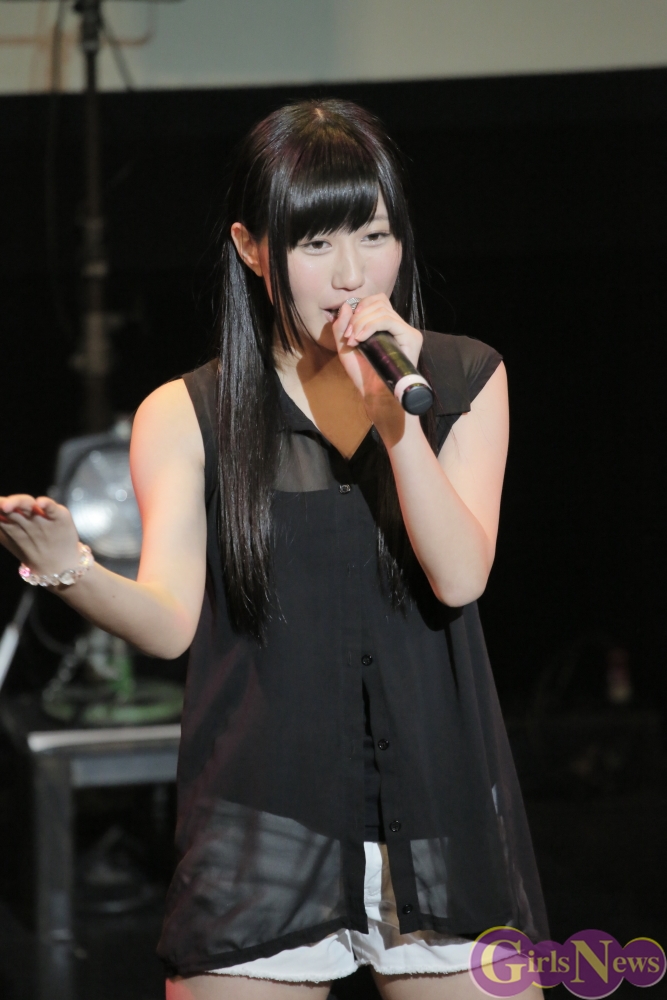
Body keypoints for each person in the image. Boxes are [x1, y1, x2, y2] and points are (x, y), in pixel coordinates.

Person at [0, 99, 547, 999]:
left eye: (373, 236)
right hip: (264, 823)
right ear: (252, 249)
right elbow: (169, 623)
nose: (352, 274)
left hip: (441, 811)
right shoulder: (186, 413)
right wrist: (70, 566)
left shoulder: (461, 379)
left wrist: (397, 422)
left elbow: (458, 575)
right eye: (315, 243)